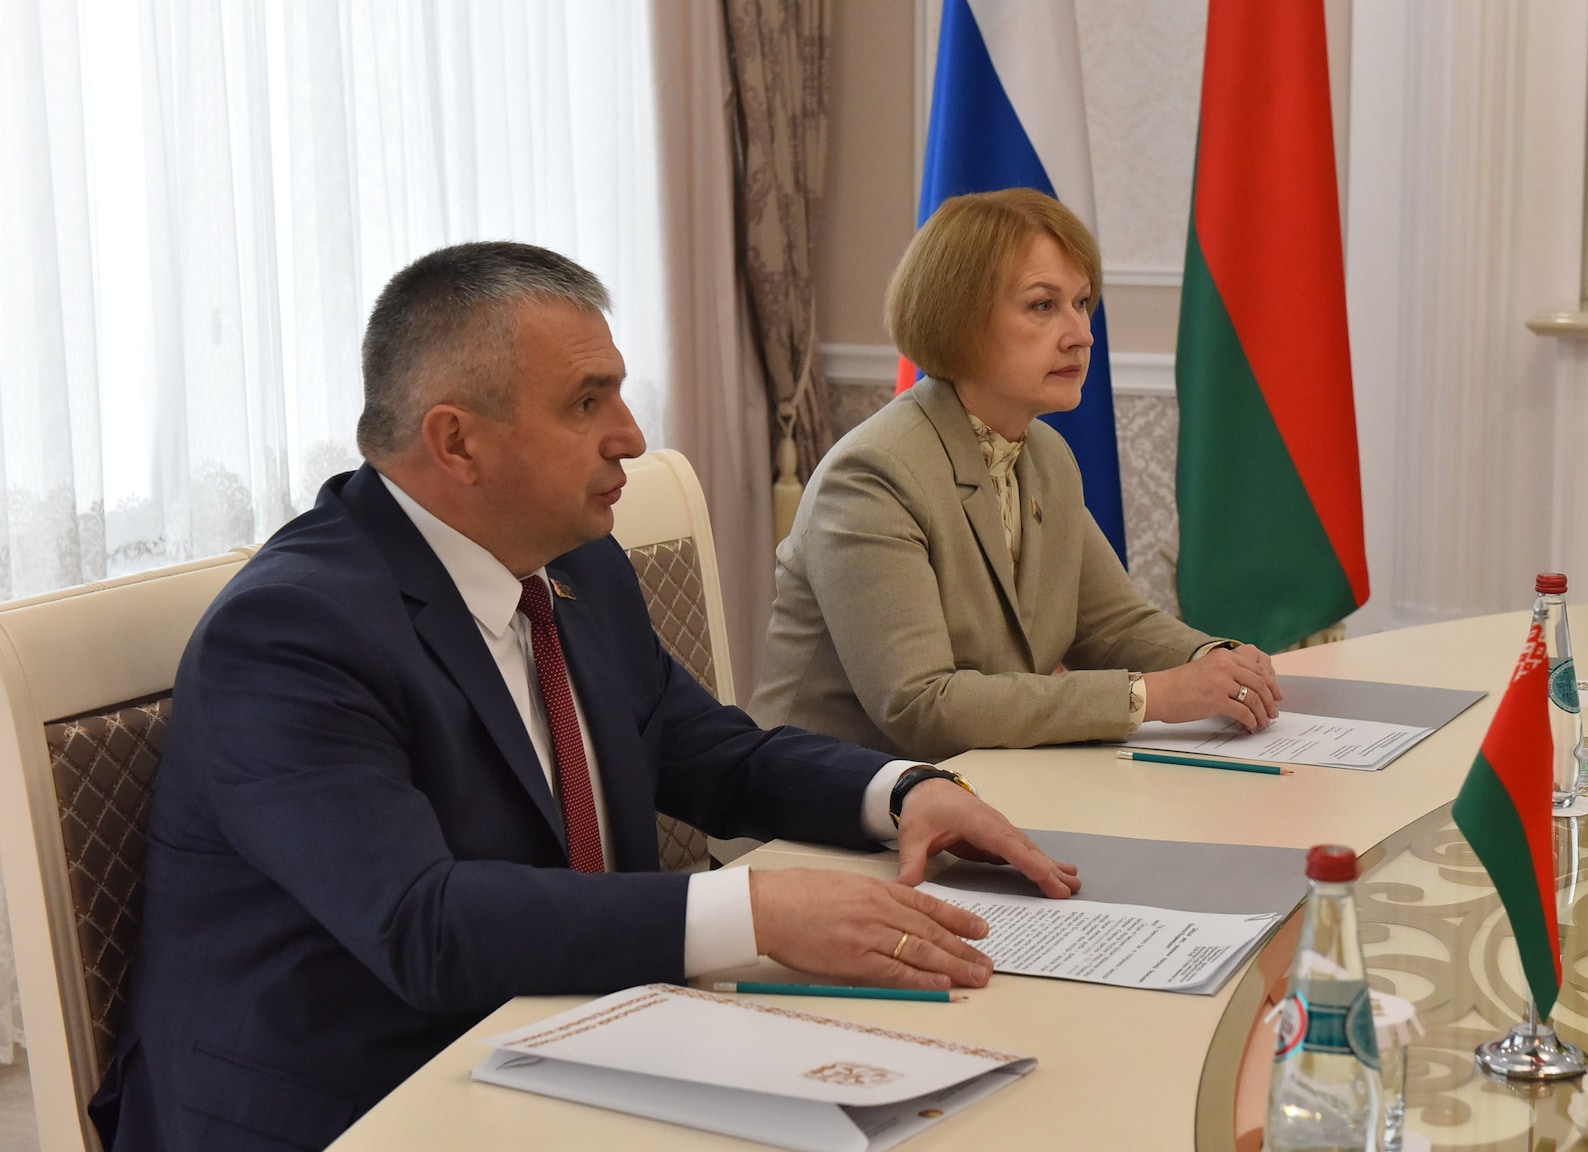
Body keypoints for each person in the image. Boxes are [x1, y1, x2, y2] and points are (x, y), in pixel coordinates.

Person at [92, 241, 1079, 1152]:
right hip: (355, 1100)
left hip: (573, 1042)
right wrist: (757, 911)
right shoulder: (293, 633)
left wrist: (904, 792)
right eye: (586, 402)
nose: (631, 435)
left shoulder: (574, 567)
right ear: (457, 442)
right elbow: (423, 925)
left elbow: (711, 753)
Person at [750, 189, 1282, 763]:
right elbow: (921, 706)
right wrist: (1151, 696)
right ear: (958, 318)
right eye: (1043, 305)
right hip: (828, 798)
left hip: (976, 784)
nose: (1082, 334)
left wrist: (1214, 661)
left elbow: (1112, 625)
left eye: (1082, 303)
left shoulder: (1045, 454)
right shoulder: (872, 476)